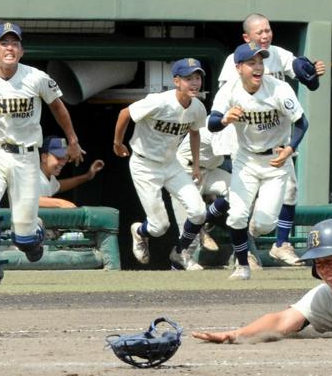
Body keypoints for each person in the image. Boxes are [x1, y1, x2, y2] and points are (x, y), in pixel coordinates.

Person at [0, 22, 84, 285]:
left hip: (26, 156)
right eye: (4, 43)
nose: (9, 47)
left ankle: (33, 234)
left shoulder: (36, 77)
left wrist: (73, 140)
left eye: (15, 43)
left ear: (22, 50)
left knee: (25, 241)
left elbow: (58, 107)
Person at [192, 218, 332, 344]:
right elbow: (282, 320)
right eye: (319, 263)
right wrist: (236, 334)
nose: (324, 270)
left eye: (330, 260)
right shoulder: (325, 297)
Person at [218, 13, 326, 266]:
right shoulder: (234, 61)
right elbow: (229, 98)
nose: (265, 36)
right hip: (245, 137)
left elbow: (307, 79)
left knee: (289, 191)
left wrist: (313, 73)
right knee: (242, 201)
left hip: (276, 137)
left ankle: (280, 244)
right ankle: (238, 250)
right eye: (259, 32)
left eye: (268, 30)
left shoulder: (278, 54)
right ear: (247, 37)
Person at [208, 41, 309, 280]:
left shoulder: (279, 89)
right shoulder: (229, 90)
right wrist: (224, 120)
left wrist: (290, 148)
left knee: (264, 225)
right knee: (236, 216)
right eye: (252, 62)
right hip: (246, 159)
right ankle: (242, 265)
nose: (258, 67)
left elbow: (302, 123)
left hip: (276, 160)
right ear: (238, 67)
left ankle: (251, 230)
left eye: (261, 62)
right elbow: (212, 123)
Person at [113, 58, 209, 269]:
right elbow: (124, 113)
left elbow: (195, 132)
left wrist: (195, 165)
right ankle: (139, 231)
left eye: (197, 78)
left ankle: (180, 251)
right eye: (188, 78)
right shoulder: (159, 101)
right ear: (176, 81)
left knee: (199, 211)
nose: (194, 83)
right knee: (159, 226)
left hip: (171, 164)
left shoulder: (198, 107)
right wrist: (117, 143)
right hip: (144, 165)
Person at [169, 123, 230, 270]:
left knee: (237, 190)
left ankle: (205, 219)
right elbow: (234, 152)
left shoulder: (236, 127)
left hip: (208, 171)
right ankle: (173, 276)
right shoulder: (213, 125)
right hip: (185, 171)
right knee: (191, 238)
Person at [39, 135, 105, 209]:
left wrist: (87, 176)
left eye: (65, 158)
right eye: (58, 157)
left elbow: (59, 186)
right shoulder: (33, 176)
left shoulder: (49, 177)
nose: (63, 163)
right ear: (44, 157)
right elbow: (26, 200)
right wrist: (60, 203)